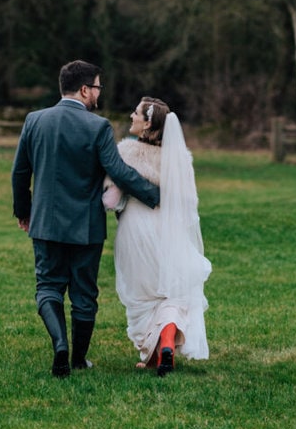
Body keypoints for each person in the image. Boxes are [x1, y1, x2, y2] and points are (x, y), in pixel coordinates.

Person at [12, 60, 161, 378]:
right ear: (84, 90)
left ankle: (59, 345)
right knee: (83, 295)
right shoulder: (98, 126)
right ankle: (78, 358)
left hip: (46, 223)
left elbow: (20, 172)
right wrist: (155, 196)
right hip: (86, 226)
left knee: (48, 286)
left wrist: (24, 211)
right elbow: (118, 171)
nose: (98, 93)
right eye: (97, 87)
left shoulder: (34, 120)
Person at [102, 97, 211, 376]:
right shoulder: (180, 159)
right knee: (171, 289)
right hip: (169, 230)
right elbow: (189, 203)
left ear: (148, 123)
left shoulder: (126, 153)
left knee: (143, 294)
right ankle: (166, 343)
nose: (131, 116)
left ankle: (152, 354)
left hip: (136, 230)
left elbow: (111, 200)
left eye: (136, 113)